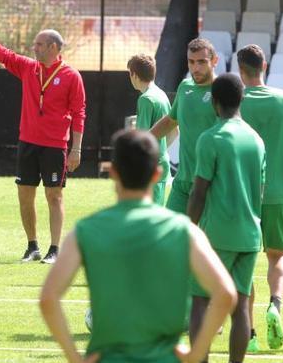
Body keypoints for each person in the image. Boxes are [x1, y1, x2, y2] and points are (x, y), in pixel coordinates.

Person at [40, 129, 237, 363]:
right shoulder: (184, 231)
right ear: (157, 174)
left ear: (113, 173)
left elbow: (48, 298)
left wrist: (75, 358)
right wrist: (195, 354)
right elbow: (225, 293)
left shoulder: (85, 231)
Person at [0, 3, 86, 264]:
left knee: (54, 195)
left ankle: (54, 249)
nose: (34, 48)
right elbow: (0, 51)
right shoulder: (29, 68)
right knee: (24, 195)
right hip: (28, 142)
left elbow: (79, 114)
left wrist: (76, 149)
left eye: (39, 44)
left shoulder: (71, 76)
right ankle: (32, 246)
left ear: (53, 47)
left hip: (55, 146)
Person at [236, 45, 283, 352]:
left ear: (240, 68)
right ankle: (275, 305)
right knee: (277, 255)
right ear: (264, 66)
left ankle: (251, 334)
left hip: (242, 194)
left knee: (243, 261)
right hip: (279, 193)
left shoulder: (235, 101)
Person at [188, 73, 265, 363]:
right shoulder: (256, 140)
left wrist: (188, 229)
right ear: (242, 98)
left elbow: (199, 193)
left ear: (215, 103)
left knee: (200, 300)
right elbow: (260, 190)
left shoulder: (211, 139)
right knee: (241, 305)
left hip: (216, 234)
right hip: (249, 234)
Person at [150, 38, 219, 215]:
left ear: (214, 61)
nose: (195, 68)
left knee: (205, 240)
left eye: (202, 62)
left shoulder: (222, 91)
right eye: (191, 62)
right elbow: (171, 121)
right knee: (170, 235)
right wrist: (142, 140)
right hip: (183, 181)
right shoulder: (185, 87)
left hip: (212, 183)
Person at [128, 54, 177, 204]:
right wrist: (161, 152)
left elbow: (142, 139)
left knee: (146, 213)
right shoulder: (161, 95)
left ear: (134, 75)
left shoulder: (145, 99)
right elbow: (174, 132)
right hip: (162, 162)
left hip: (149, 165)